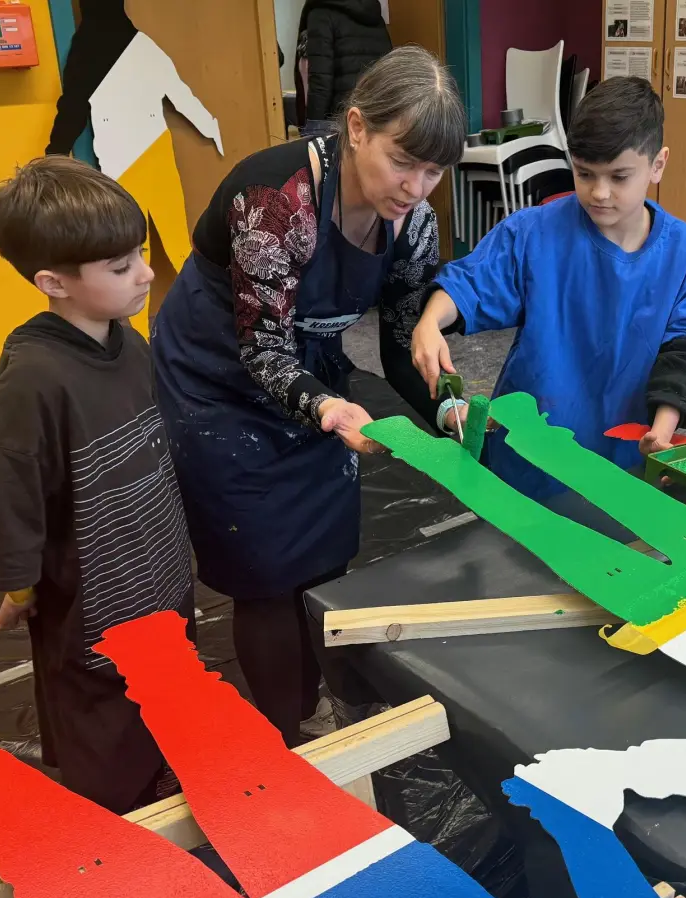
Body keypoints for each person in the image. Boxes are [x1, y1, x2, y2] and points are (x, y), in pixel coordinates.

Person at [151, 46, 462, 747]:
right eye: (402, 161)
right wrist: (327, 408)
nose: (416, 188)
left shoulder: (413, 221)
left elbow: (400, 343)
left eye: (434, 171)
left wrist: (447, 411)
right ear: (356, 127)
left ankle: (320, 701)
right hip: (217, 376)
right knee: (264, 569)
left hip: (310, 364)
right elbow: (262, 348)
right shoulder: (277, 199)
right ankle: (284, 731)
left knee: (323, 551)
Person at [0, 156, 195, 815]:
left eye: (139, 254)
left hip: (157, 579)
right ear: (53, 283)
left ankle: (162, 783)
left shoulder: (128, 342)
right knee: (108, 748)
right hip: (96, 609)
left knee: (165, 705)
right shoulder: (35, 380)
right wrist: (19, 584)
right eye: (120, 267)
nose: (146, 273)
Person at [411, 77, 686, 499]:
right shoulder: (534, 233)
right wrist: (431, 321)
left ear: (658, 164)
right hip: (528, 460)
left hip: (626, 461)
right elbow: (471, 284)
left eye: (619, 176)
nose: (599, 193)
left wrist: (661, 432)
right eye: (584, 173)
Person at [295, 0, 393, 131]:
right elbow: (389, 67)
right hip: (377, 114)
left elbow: (320, 80)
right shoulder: (374, 14)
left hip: (341, 120)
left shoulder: (321, 14)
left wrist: (314, 127)